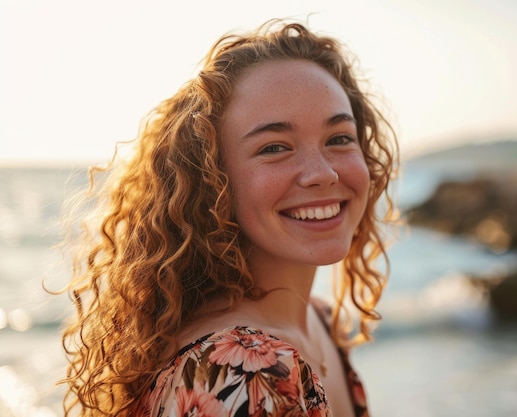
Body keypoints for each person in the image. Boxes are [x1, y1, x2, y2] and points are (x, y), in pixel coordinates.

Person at [58, 18, 398, 417]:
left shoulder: (317, 321)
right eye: (274, 147)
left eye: (339, 138)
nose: (323, 173)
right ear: (213, 180)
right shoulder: (239, 372)